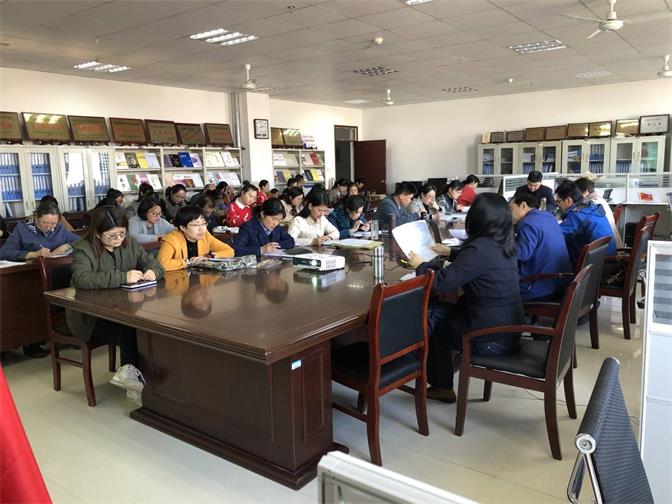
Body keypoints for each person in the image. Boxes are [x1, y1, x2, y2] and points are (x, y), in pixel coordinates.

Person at [407, 193, 525, 403]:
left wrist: (420, 265)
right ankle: (436, 368)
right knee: (435, 310)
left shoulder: (480, 248)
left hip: (490, 337)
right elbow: (475, 262)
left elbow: (440, 282)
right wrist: (450, 252)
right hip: (508, 328)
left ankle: (440, 385)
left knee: (434, 323)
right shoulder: (503, 243)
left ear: (477, 218)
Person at [66, 206, 164, 405]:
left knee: (146, 326)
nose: (118, 239)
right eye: (112, 236)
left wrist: (153, 272)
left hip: (124, 307)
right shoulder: (83, 249)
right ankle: (131, 378)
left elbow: (154, 264)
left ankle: (144, 378)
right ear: (97, 233)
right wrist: (123, 277)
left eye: (122, 233)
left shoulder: (130, 243)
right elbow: (82, 279)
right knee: (130, 327)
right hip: (90, 317)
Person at [510, 192, 572, 301]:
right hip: (561, 281)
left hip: (541, 287)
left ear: (523, 205)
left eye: (511, 209)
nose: (509, 213)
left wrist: (503, 244)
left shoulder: (527, 223)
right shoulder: (547, 215)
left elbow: (523, 254)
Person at [555, 180, 616, 262]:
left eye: (558, 201)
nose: (557, 205)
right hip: (607, 260)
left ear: (569, 200)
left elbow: (556, 236)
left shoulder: (577, 215)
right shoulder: (592, 207)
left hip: (593, 264)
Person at [157, 206, 234, 272]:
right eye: (195, 225)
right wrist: (188, 262)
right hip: (176, 280)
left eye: (203, 224)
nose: (201, 229)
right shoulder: (172, 239)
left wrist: (209, 257)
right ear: (183, 227)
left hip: (200, 278)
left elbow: (229, 251)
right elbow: (162, 264)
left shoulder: (205, 236)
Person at [0, 202, 80, 262]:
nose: (49, 227)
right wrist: (34, 254)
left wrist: (67, 246)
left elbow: (81, 241)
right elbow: (4, 253)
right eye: (45, 223)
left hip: (58, 267)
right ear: (36, 218)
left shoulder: (59, 229)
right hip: (32, 271)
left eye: (53, 223)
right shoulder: (22, 229)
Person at [575, 177, 623, 248]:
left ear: (585, 191)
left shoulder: (591, 205)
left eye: (576, 192)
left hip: (606, 248)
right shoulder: (600, 200)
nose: (575, 195)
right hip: (611, 244)